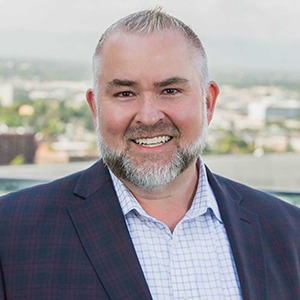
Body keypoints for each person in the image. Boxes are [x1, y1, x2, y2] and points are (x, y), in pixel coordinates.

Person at [0, 8, 299, 300]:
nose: (148, 116)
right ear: (95, 108)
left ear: (208, 102)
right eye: (125, 93)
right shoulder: (11, 233)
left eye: (169, 90)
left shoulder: (289, 232)